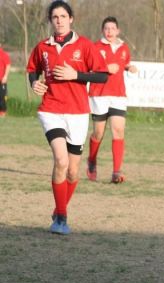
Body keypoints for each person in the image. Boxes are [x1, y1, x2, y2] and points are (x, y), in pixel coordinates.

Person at [27, 0, 108, 234]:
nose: (59, 20)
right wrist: (35, 83)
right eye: (55, 17)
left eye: (63, 16)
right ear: (50, 21)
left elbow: (102, 76)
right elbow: (33, 69)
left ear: (71, 19)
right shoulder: (43, 46)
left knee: (73, 171)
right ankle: (61, 218)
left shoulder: (84, 45)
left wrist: (77, 74)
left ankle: (59, 207)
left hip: (78, 113)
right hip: (51, 110)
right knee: (61, 161)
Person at [86, 16, 137, 184]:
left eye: (112, 29)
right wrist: (106, 68)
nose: (109, 32)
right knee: (98, 133)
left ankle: (116, 172)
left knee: (118, 130)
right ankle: (92, 161)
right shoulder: (95, 47)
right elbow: (88, 68)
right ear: (103, 31)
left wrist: (130, 67)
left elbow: (125, 62)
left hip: (118, 95)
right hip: (99, 94)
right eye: (106, 29)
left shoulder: (124, 48)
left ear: (118, 31)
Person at [0, 43, 10, 117]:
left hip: (2, 80)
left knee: (2, 96)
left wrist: (5, 76)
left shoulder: (4, 55)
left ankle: (3, 111)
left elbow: (8, 65)